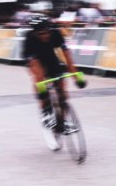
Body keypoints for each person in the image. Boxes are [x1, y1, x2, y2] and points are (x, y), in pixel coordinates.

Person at [23, 15, 86, 150]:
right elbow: (35, 68)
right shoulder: (29, 39)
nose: (45, 35)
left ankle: (62, 122)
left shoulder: (56, 34)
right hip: (36, 61)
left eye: (47, 32)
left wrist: (76, 77)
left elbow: (67, 56)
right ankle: (45, 112)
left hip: (52, 60)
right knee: (40, 81)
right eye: (41, 33)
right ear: (35, 32)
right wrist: (42, 88)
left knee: (62, 90)